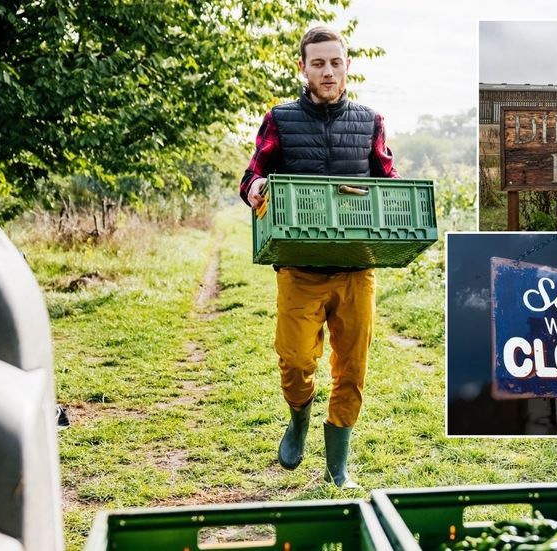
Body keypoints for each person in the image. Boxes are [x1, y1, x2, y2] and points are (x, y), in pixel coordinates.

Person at [238, 26, 398, 488]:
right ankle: (299, 420)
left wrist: (377, 193)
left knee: (352, 369)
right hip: (299, 266)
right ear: (303, 69)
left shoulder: (370, 120)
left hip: (355, 268)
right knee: (294, 361)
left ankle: (337, 469)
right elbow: (251, 176)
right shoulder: (280, 119)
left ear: (347, 65)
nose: (328, 71)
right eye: (318, 63)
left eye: (335, 62)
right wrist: (256, 190)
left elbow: (388, 177)